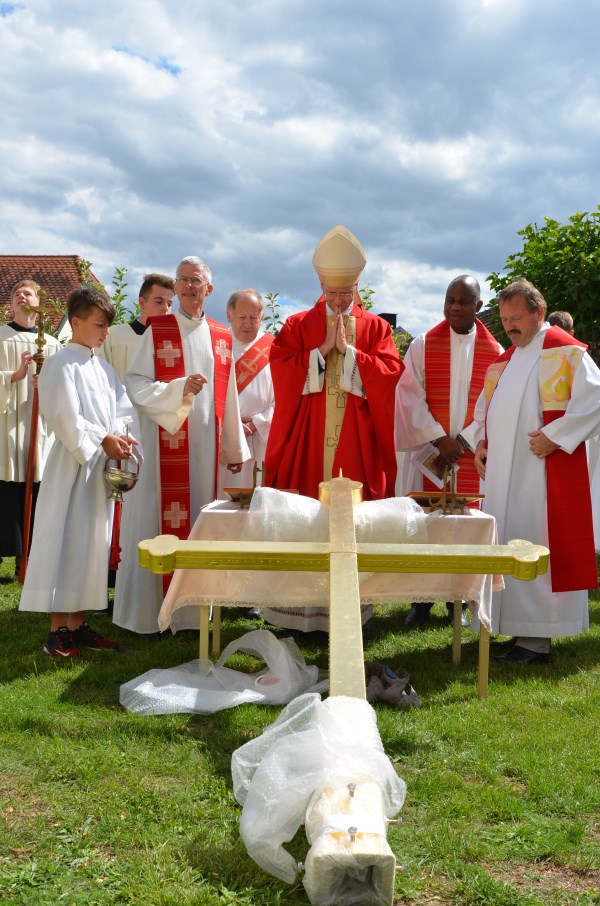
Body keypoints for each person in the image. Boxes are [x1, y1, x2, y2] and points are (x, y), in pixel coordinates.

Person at [113, 256, 250, 635]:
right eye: (184, 280)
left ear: (210, 289)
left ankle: (189, 616)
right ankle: (147, 616)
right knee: (155, 521)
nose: (191, 287)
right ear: (175, 288)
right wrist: (177, 390)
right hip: (163, 451)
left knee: (199, 523)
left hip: (204, 452)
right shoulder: (158, 330)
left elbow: (230, 396)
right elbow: (136, 381)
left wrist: (233, 450)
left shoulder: (223, 337)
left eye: (198, 281)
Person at [474, 279, 600, 664]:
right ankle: (517, 630)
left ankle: (538, 641)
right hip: (502, 476)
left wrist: (555, 436)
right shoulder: (507, 359)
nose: (510, 326)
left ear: (539, 313)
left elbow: (595, 398)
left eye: (517, 318)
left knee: (534, 544)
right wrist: (481, 441)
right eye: (505, 318)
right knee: (508, 543)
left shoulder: (564, 352)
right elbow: (485, 409)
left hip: (542, 476)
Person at [18, 285, 140, 657]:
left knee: (93, 545)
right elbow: (63, 416)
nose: (105, 333)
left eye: (107, 326)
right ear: (76, 322)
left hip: (99, 469)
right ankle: (58, 631)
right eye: (100, 325)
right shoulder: (60, 363)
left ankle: (79, 622)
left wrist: (122, 435)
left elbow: (123, 410)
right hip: (72, 467)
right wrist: (101, 438)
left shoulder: (103, 368)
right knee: (68, 540)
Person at [395, 275, 502, 627]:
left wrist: (465, 442)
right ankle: (421, 600)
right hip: (431, 453)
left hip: (469, 457)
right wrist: (439, 438)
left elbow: (494, 404)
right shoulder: (424, 344)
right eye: (449, 299)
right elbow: (409, 394)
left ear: (478, 307)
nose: (455, 306)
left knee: (463, 527)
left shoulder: (496, 354)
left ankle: (458, 599)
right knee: (425, 525)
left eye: (463, 301)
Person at [266, 224, 402, 501]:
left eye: (345, 294)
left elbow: (390, 373)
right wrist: (322, 350)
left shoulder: (377, 328)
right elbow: (281, 368)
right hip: (310, 432)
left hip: (358, 431)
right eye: (332, 294)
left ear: (356, 286)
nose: (338, 302)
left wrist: (350, 352)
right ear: (321, 285)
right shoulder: (297, 324)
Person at [0, 280, 61, 576]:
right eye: (17, 294)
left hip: (39, 427)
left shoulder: (52, 344)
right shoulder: (0, 337)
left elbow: (63, 387)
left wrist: (46, 385)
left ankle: (30, 560)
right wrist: (15, 376)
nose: (22, 297)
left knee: (36, 488)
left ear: (38, 304)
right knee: (5, 490)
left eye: (28, 293)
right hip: (5, 427)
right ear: (10, 305)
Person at [218, 289, 274, 494]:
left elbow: (283, 399)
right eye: (242, 317)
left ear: (261, 318)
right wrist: (230, 425)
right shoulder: (216, 346)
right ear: (229, 316)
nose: (248, 324)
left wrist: (257, 423)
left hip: (260, 440)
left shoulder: (274, 348)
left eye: (254, 318)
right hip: (223, 438)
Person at [99, 274, 174, 381]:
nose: (165, 308)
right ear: (142, 303)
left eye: (170, 304)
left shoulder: (173, 344)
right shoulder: (112, 336)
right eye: (159, 302)